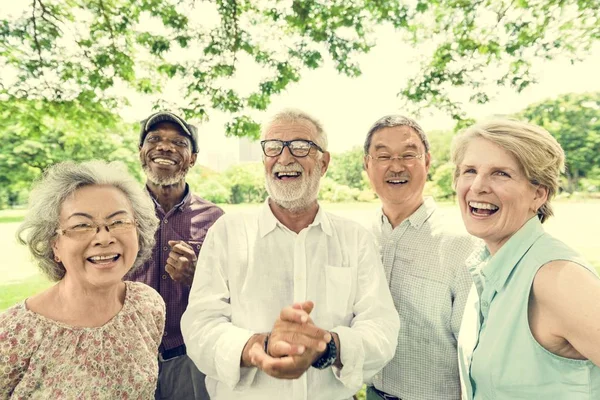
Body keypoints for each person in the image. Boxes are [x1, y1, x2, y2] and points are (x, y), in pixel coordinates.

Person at [181, 109, 399, 400]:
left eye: (301, 146)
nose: (284, 158)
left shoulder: (354, 238)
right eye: (273, 147)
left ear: (324, 163)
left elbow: (381, 327)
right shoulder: (227, 233)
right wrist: (258, 347)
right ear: (263, 160)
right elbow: (200, 326)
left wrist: (328, 346)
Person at [452, 119, 600, 399]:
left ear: (538, 194)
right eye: (469, 170)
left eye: (501, 174)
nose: (478, 186)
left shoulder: (557, 278)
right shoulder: (487, 267)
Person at [0, 160, 164, 399]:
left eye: (118, 221)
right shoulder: (15, 332)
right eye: (81, 225)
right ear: (54, 244)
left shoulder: (147, 305)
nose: (104, 238)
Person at [362, 115, 479, 400]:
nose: (396, 165)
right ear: (367, 165)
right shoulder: (361, 239)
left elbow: (474, 350)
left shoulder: (461, 243)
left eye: (408, 154)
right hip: (373, 392)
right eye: (383, 156)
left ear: (427, 162)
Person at [127, 110, 224, 400]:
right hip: (127, 353)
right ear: (141, 152)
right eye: (154, 139)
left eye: (179, 142)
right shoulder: (118, 211)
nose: (165, 147)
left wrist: (198, 276)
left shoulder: (216, 219)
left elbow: (233, 295)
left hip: (188, 358)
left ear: (192, 157)